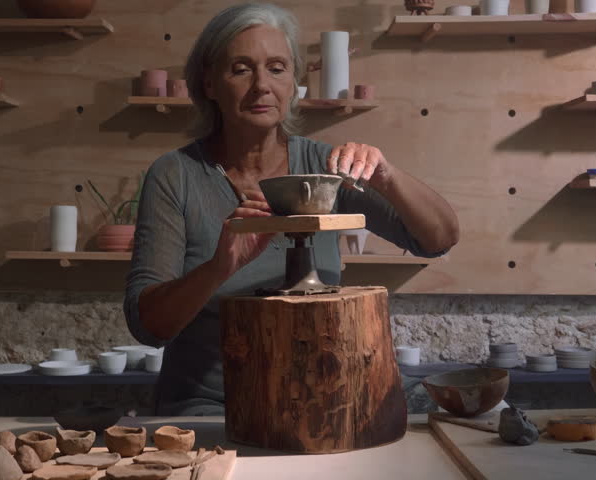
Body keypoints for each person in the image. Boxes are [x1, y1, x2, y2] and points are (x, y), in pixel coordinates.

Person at [124, 3, 459, 416]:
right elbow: (148, 327)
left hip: (330, 397)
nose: (262, 85)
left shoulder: (325, 168)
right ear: (209, 82)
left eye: (277, 68)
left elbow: (439, 239)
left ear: (294, 83)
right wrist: (217, 269)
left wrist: (386, 175)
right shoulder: (176, 176)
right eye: (241, 68)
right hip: (220, 405)